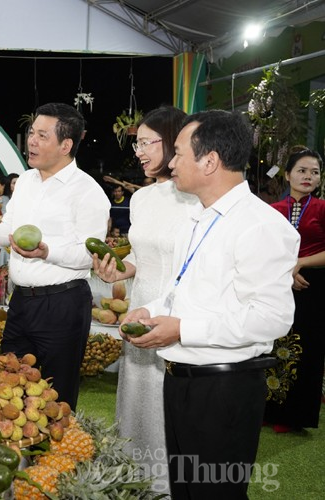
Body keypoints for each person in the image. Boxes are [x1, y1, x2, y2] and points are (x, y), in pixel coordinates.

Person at [120, 110, 299, 498]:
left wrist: (183, 328)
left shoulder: (261, 226)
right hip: (181, 379)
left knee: (215, 494)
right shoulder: (198, 219)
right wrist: (150, 309)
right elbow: (179, 285)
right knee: (185, 491)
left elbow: (271, 318)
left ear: (210, 160)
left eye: (180, 153)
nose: (171, 162)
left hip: (225, 387)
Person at [0, 103, 110, 408]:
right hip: (21, 302)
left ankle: (56, 456)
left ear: (66, 145)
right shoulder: (25, 182)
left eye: (42, 135)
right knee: (10, 385)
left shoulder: (87, 192)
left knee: (55, 394)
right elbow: (10, 229)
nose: (32, 141)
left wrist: (46, 251)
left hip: (62, 304)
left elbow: (88, 256)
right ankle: (19, 455)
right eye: (31, 133)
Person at [92, 106, 198, 494]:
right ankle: (132, 471)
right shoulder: (142, 199)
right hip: (140, 305)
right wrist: (120, 271)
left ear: (174, 143)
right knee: (137, 392)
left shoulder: (196, 199)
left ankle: (168, 482)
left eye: (146, 143)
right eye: (137, 143)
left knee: (167, 398)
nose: (138, 151)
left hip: (177, 313)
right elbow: (141, 254)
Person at [264, 147, 325, 433]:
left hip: (313, 287)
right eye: (302, 170)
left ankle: (296, 416)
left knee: (308, 349)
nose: (308, 176)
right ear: (287, 175)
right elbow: (263, 252)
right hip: (278, 284)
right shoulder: (272, 211)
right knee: (274, 343)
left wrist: (299, 263)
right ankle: (269, 409)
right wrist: (286, 272)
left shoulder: (323, 209)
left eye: (314, 172)